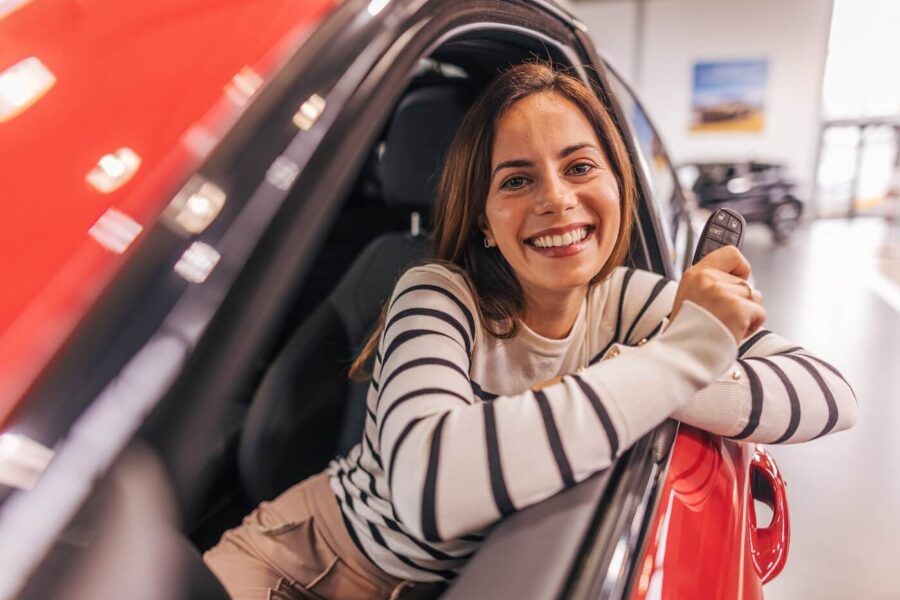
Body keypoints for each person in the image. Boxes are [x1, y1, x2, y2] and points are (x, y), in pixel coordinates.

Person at [203, 62, 857, 599]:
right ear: (484, 220)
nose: (555, 199)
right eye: (517, 179)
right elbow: (428, 488)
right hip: (302, 563)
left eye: (579, 167)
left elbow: (831, 393)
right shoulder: (434, 292)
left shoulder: (625, 301)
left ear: (619, 186)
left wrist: (671, 362)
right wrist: (685, 354)